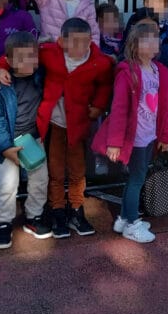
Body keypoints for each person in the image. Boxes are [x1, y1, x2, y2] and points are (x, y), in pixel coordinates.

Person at [92, 19, 168, 243]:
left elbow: (165, 108)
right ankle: (130, 222)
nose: (152, 43)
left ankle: (123, 219)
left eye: (155, 39)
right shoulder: (128, 72)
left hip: (150, 136)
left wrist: (165, 136)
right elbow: (118, 109)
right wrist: (115, 142)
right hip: (135, 137)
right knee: (137, 178)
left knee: (138, 177)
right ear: (135, 46)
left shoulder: (160, 72)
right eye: (146, 40)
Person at [33, 17, 113, 238]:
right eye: (74, 42)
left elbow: (106, 82)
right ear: (61, 41)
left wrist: (98, 105)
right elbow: (21, 54)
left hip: (78, 127)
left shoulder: (99, 61)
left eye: (85, 42)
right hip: (55, 125)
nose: (81, 47)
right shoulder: (50, 53)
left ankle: (76, 209)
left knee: (78, 171)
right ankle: (57, 209)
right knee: (56, 170)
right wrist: (1, 67)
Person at [0, 32, 47, 250]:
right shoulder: (0, 85)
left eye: (31, 56)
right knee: (7, 185)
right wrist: (5, 147)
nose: (26, 62)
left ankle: (34, 217)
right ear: (9, 61)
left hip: (34, 139)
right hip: (9, 142)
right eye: (20, 58)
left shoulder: (40, 76)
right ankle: (3, 222)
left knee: (40, 179)